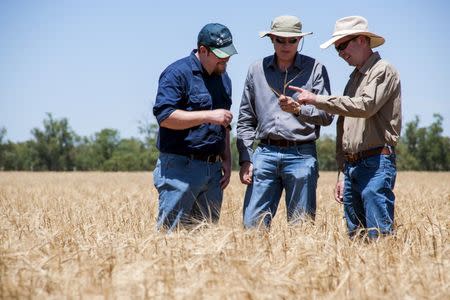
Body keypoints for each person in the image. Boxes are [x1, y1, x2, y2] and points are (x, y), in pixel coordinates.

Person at [290, 16, 401, 239]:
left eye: (342, 45)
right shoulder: (354, 78)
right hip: (353, 166)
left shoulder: (383, 70)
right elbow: (345, 127)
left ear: (361, 40)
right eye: (337, 48)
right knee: (356, 239)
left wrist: (316, 100)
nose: (340, 53)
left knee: (379, 237)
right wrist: (342, 173)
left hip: (375, 163)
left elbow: (366, 106)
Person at [237, 15, 333, 228]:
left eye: (292, 40)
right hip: (264, 153)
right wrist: (246, 159)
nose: (286, 45)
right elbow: (245, 119)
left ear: (300, 40)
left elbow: (327, 115)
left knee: (301, 229)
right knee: (252, 227)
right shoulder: (256, 69)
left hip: (302, 153)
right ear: (271, 39)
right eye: (280, 39)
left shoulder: (316, 68)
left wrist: (299, 110)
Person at [152, 23, 237, 231]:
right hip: (180, 169)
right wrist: (208, 115)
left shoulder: (224, 78)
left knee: (205, 244)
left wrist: (226, 158)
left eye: (228, 53)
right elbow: (166, 117)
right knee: (170, 241)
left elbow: (224, 123)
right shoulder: (177, 73)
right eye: (220, 54)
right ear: (203, 50)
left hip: (213, 171)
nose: (225, 59)